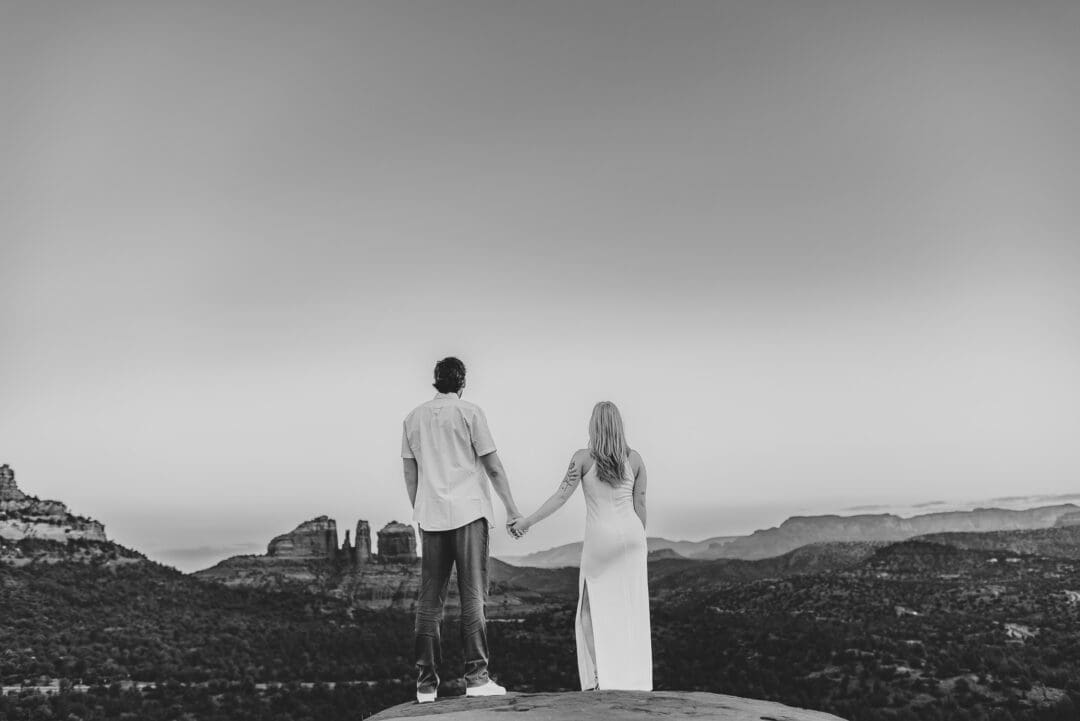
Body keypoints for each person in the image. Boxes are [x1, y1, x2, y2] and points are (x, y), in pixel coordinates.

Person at [401, 357, 529, 704]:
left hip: (431, 517)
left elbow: (410, 473)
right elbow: (494, 468)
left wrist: (420, 509)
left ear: (435, 382)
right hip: (469, 513)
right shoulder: (471, 413)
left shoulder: (412, 419)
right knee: (472, 596)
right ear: (462, 383)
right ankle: (477, 678)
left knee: (429, 601)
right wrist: (512, 510)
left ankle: (425, 686)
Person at [510, 401, 652, 691]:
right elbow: (640, 503)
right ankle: (632, 678)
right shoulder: (635, 459)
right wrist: (639, 542)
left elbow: (560, 497)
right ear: (619, 425)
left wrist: (528, 522)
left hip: (601, 539)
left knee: (589, 608)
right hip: (633, 539)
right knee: (630, 608)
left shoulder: (582, 459)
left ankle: (601, 677)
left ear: (594, 425)